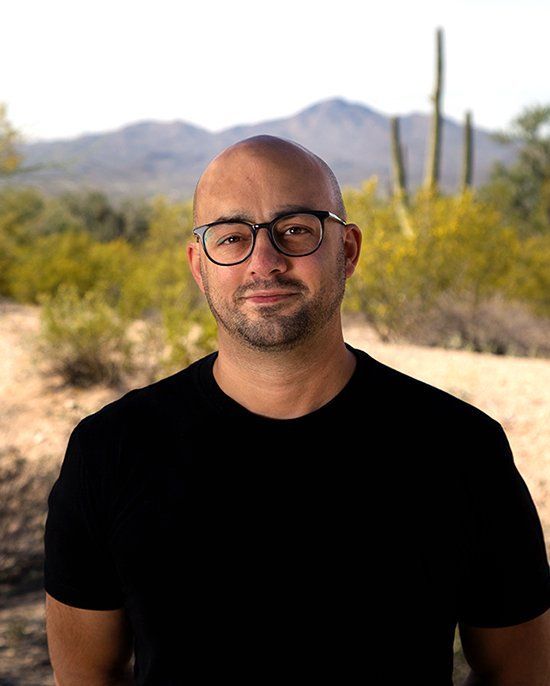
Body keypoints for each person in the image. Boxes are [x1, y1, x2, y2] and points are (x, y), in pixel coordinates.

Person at [44, 134, 550, 686]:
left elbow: (520, 671)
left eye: (295, 231)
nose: (265, 261)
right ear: (198, 265)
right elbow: (88, 677)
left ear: (348, 250)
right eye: (232, 237)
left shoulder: (461, 449)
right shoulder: (109, 451)